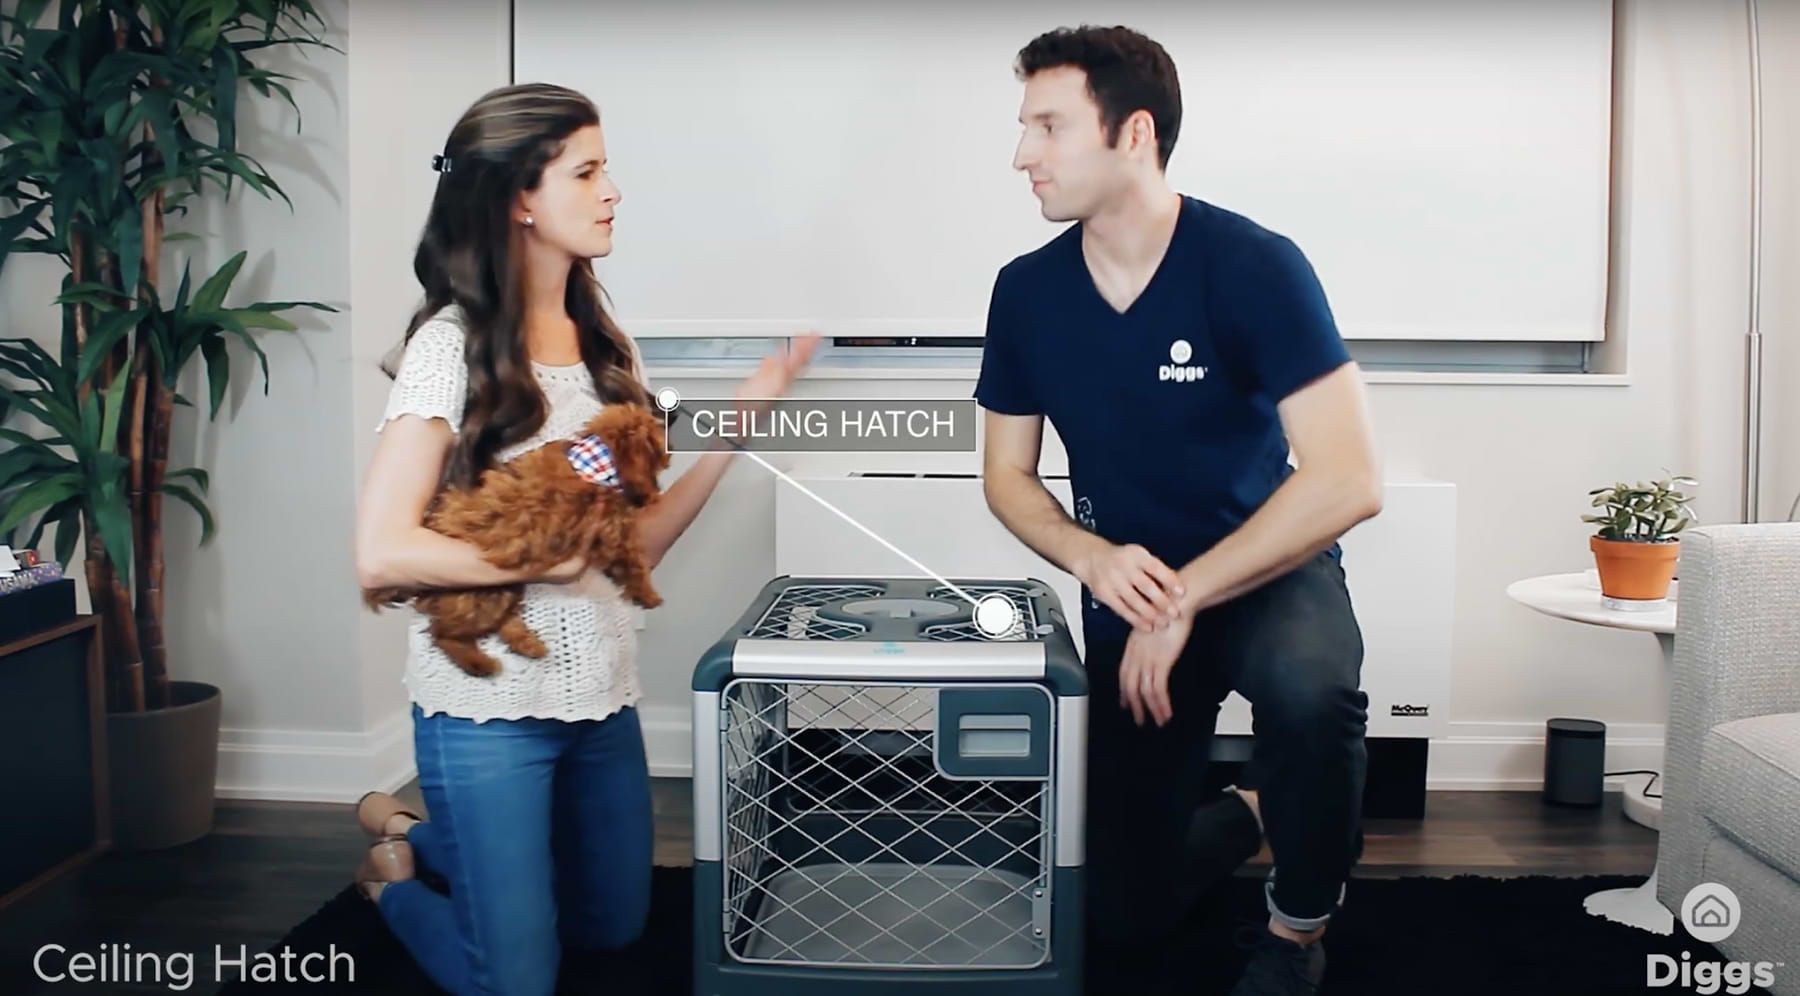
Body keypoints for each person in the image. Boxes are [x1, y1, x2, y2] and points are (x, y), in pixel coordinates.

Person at [349, 83, 817, 996]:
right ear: (521, 197)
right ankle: (394, 884)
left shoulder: (607, 346)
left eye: (609, 169)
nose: (613, 192)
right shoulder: (451, 349)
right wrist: (539, 559)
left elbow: (631, 546)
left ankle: (420, 830)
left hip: (600, 701)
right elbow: (380, 550)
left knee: (612, 928)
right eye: (588, 172)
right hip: (483, 711)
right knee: (517, 981)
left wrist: (735, 432)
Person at [974, 26, 1383, 996]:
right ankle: (1250, 811)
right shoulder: (1026, 294)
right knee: (1123, 916)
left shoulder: (1253, 265)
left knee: (1311, 693)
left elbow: (1346, 480)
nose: (1021, 155)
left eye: (1047, 127)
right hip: (1131, 581)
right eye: (1024, 127)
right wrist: (1089, 558)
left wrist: (1184, 597)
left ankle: (1297, 928)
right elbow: (1007, 477)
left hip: (1267, 564)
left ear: (1134, 134)